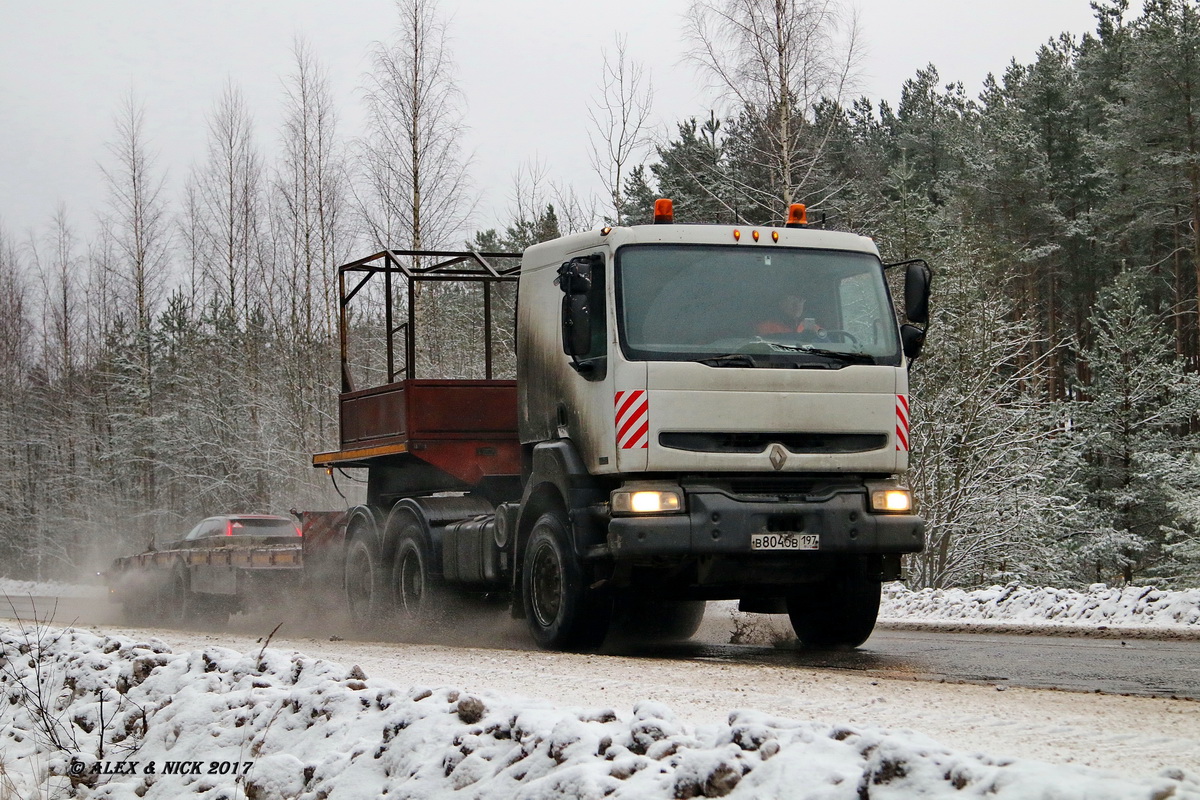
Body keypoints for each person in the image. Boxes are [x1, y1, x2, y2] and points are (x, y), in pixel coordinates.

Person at [756, 293, 824, 336]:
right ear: (781, 303)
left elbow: (826, 347)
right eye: (792, 299)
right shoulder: (767, 327)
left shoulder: (811, 326)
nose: (797, 304)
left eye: (800, 300)